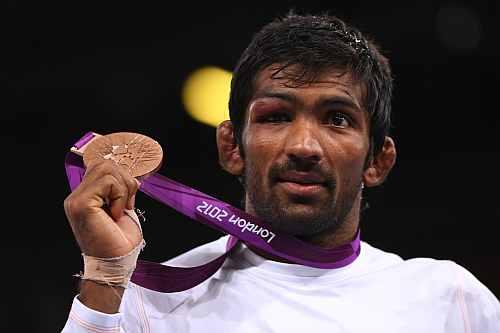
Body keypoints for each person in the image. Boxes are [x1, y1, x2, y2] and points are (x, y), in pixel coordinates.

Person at [61, 12, 500, 332]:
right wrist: (105, 275)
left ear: (377, 160)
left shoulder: (452, 301)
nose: (304, 147)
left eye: (337, 118)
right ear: (232, 146)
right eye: (275, 116)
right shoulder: (151, 304)